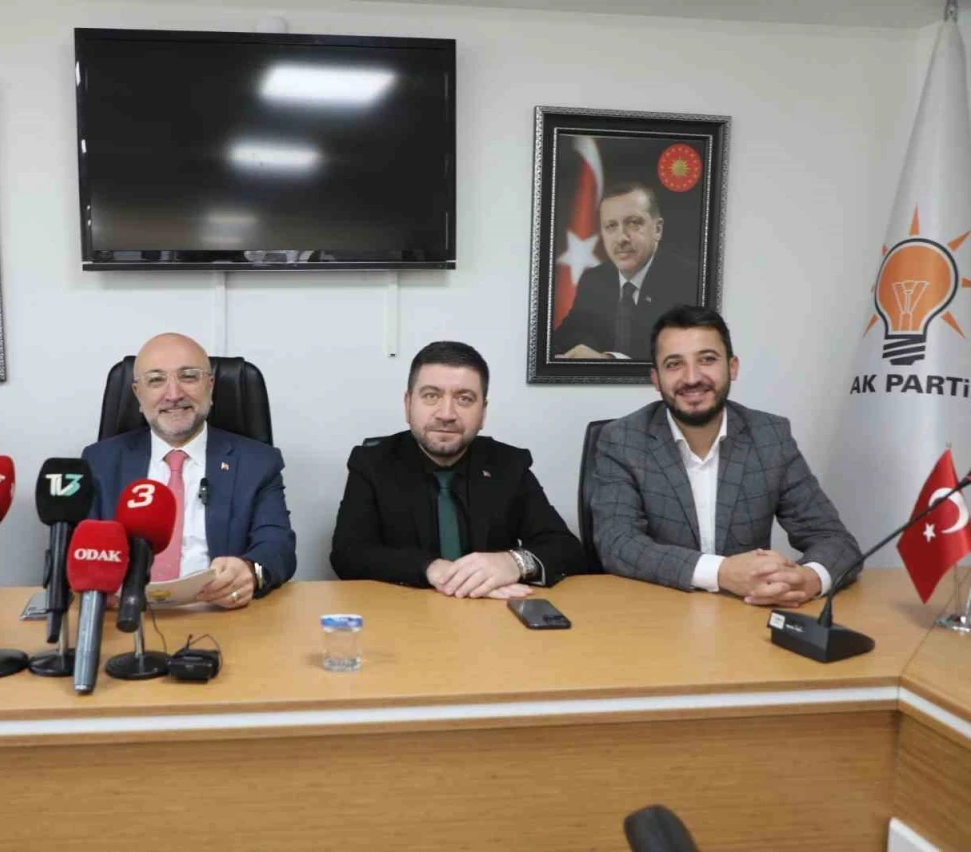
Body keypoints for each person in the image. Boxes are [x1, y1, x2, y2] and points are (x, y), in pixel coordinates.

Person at [590, 306, 861, 606]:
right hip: (659, 613)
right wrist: (722, 572)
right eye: (674, 364)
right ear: (656, 378)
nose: (692, 378)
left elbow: (835, 539)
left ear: (732, 367)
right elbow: (618, 544)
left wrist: (809, 579)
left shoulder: (770, 437)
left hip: (746, 615)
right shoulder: (623, 440)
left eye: (707, 359)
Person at [330, 341, 588, 597]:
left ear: (483, 412)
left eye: (464, 399)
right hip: (404, 611)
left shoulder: (508, 464)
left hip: (492, 613)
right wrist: (430, 568)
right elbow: (348, 554)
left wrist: (514, 562)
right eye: (431, 396)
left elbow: (566, 548)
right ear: (408, 405)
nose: (446, 414)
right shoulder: (373, 463)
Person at [81, 333, 296, 608]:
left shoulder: (257, 462)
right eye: (156, 380)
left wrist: (250, 572)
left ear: (210, 385)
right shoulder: (100, 462)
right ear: (137, 393)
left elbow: (278, 546)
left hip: (218, 612)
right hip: (127, 613)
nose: (173, 395)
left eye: (189, 376)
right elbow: (78, 551)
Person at [553, 182, 698, 361]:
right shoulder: (594, 281)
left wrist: (610, 362)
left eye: (633, 223)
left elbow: (679, 357)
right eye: (611, 226)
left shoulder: (689, 281)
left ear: (657, 229)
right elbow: (563, 341)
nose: (621, 238)